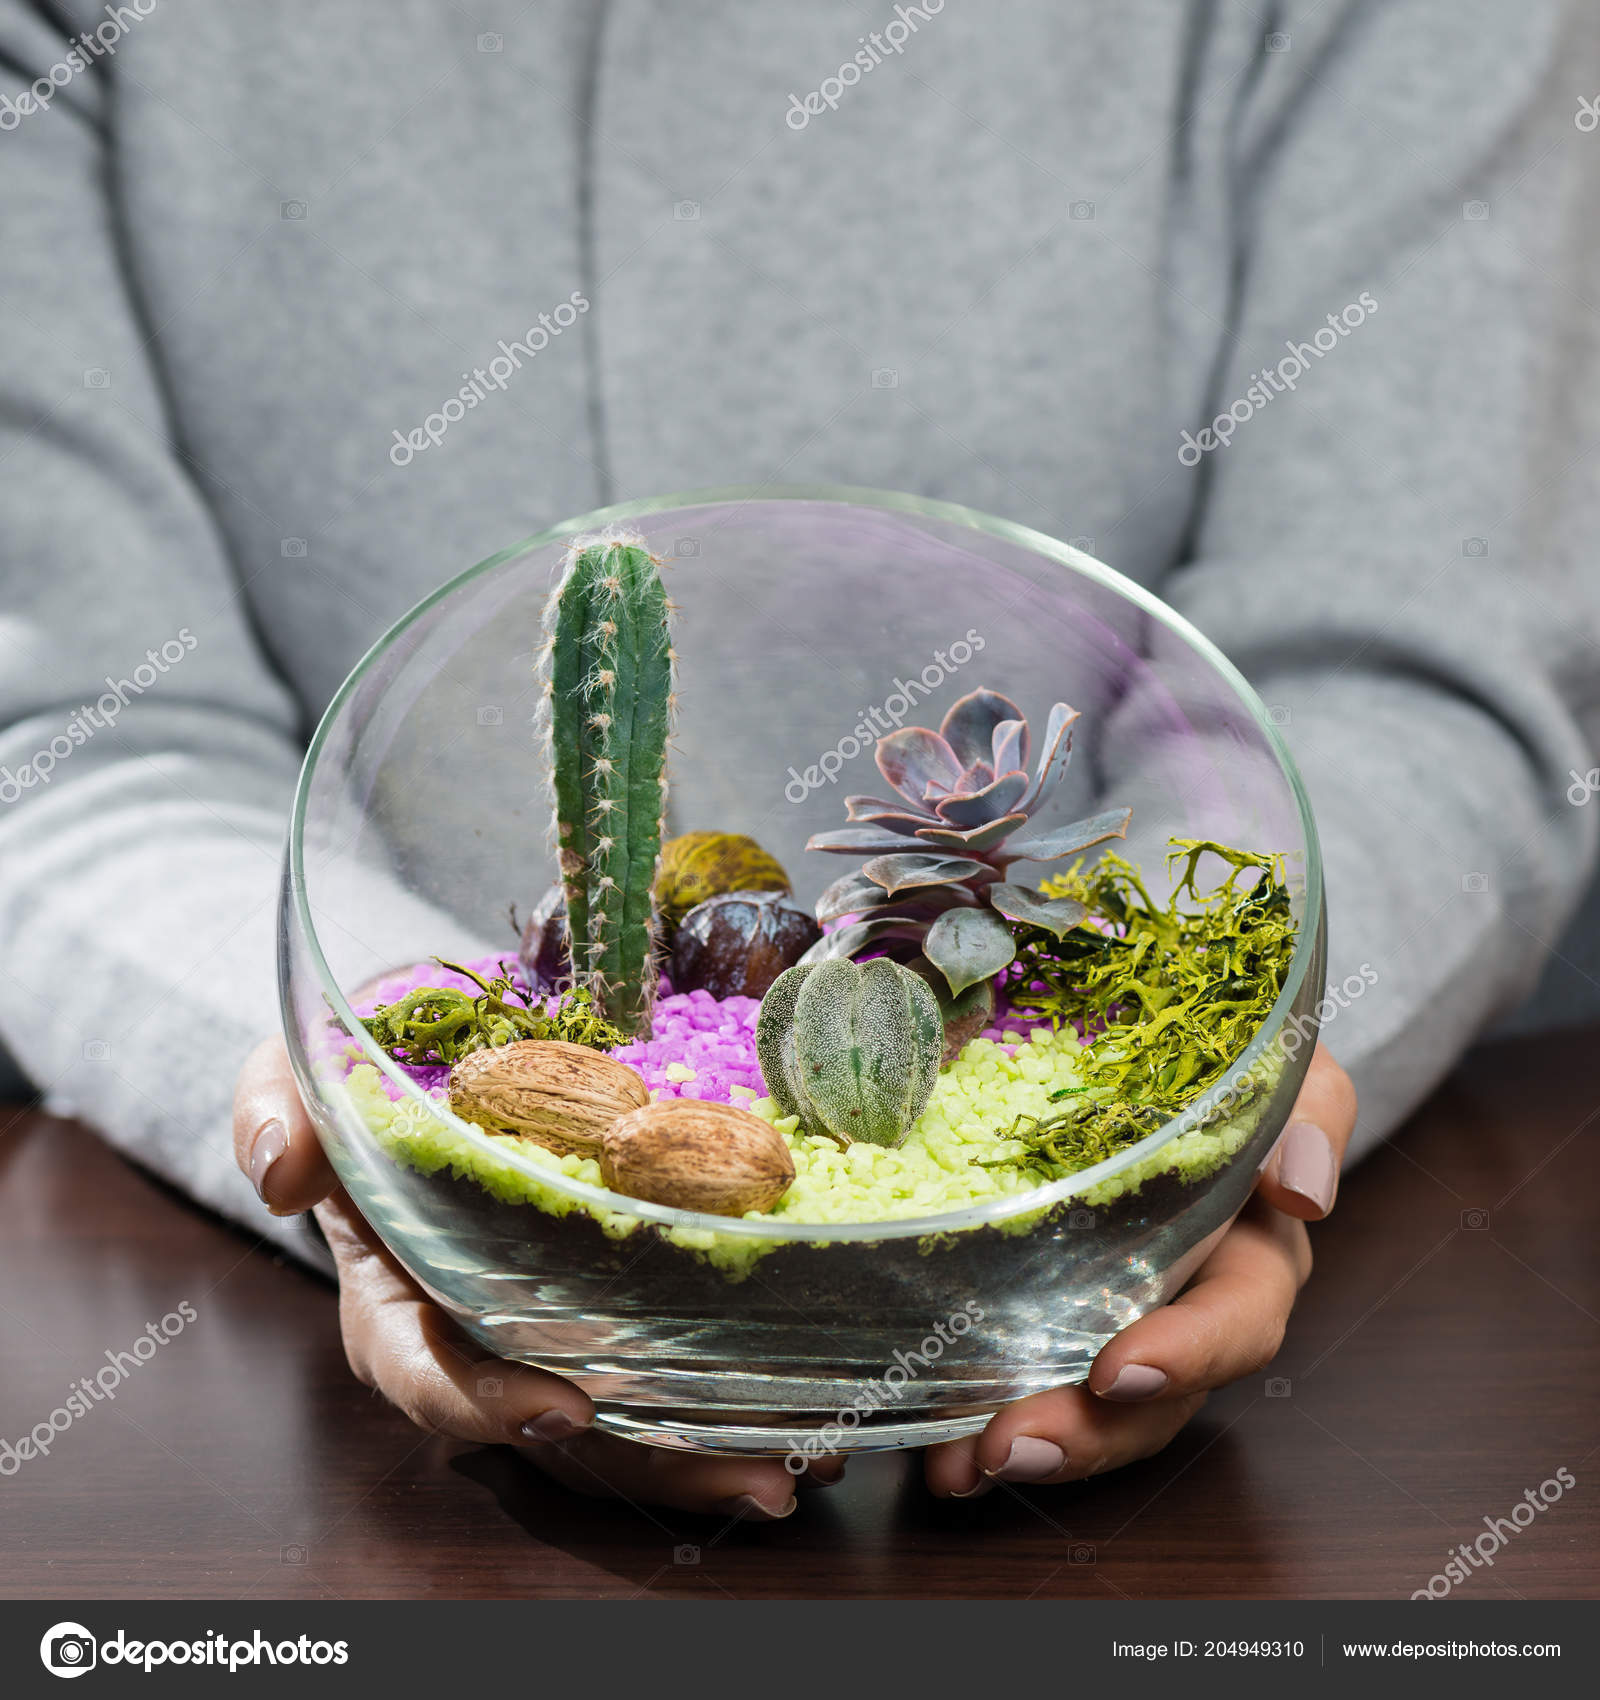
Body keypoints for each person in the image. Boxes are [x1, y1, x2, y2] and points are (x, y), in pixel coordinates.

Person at [3, 1, 1596, 1517]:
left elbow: (1398, 660)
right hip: (327, 1398)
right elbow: (75, 733)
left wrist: (1188, 1081)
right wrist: (395, 1099)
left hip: (1109, 1246)